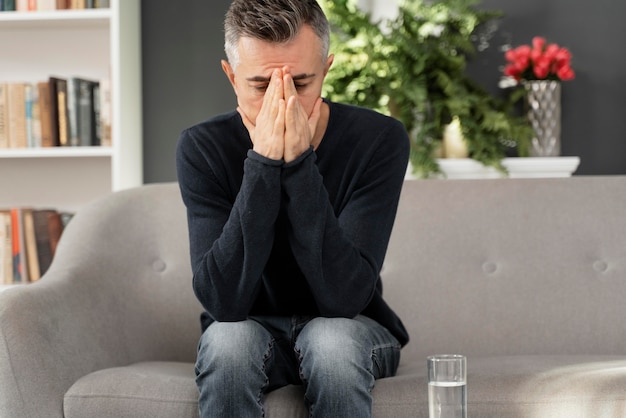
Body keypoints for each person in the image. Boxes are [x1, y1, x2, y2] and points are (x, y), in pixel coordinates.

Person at [176, 0, 410, 416]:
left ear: (326, 70)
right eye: (261, 87)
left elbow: (344, 299)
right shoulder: (202, 147)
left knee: (331, 341)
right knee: (228, 343)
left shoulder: (379, 140)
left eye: (300, 83)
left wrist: (300, 164)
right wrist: (263, 164)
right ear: (231, 76)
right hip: (248, 331)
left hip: (352, 328)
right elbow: (222, 302)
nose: (280, 103)